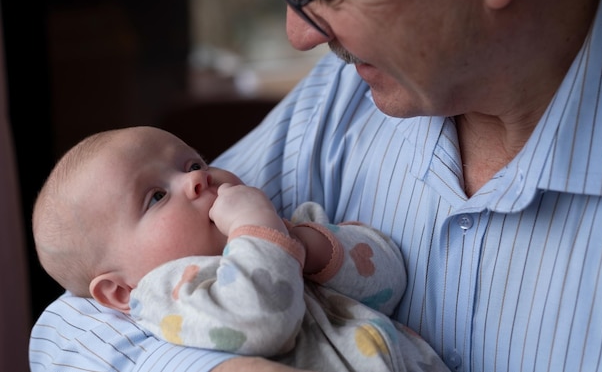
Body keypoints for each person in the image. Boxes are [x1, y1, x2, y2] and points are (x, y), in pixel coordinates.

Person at [29, 0, 602, 371]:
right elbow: (65, 326)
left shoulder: (254, 225)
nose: (298, 33)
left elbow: (386, 272)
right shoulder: (338, 101)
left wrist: (310, 248)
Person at [32, 126, 450, 372]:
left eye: (192, 163)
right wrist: (259, 232)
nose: (197, 180)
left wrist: (305, 243)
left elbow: (390, 279)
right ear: (121, 292)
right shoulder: (171, 295)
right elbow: (264, 322)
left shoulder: (286, 229)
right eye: (156, 196)